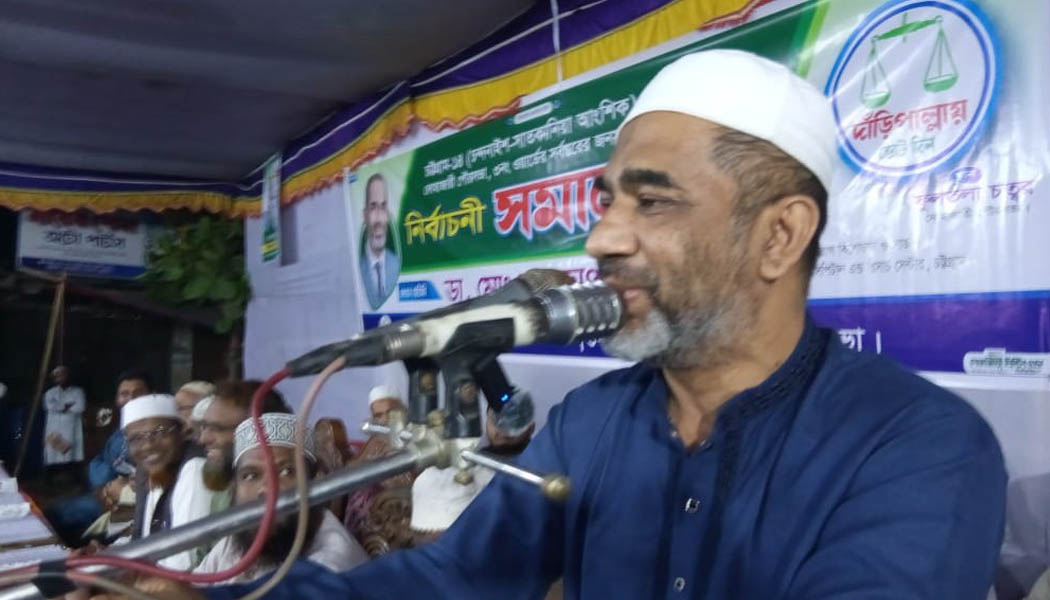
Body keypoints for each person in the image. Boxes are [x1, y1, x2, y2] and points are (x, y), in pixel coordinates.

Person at [125, 49, 1009, 600]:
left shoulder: (919, 444)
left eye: (652, 202)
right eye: (607, 200)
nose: (602, 238)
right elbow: (453, 580)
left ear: (779, 236)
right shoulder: (592, 421)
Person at [194, 414, 369, 584]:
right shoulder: (236, 541)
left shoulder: (332, 562)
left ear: (314, 481)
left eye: (286, 472)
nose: (266, 488)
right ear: (234, 488)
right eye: (250, 476)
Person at [45, 369, 151, 545]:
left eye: (138, 393)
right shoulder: (120, 430)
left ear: (151, 396)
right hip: (104, 495)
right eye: (124, 394)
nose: (131, 398)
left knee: (60, 518)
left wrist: (121, 490)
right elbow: (101, 460)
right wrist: (102, 488)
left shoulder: (155, 433)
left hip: (131, 505)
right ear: (117, 399)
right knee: (50, 515)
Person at [123, 393, 215, 570]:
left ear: (181, 433)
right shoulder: (152, 471)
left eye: (160, 432)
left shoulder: (194, 469)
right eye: (136, 438)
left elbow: (184, 562)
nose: (148, 445)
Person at [194, 380, 292, 515]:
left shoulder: (287, 496)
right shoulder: (225, 492)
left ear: (260, 433)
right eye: (204, 426)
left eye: (217, 429)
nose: (203, 439)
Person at [358, 173, 400, 309]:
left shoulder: (396, 264)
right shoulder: (357, 267)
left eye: (383, 207)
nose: (379, 219)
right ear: (365, 215)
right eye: (373, 207)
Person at [42, 365, 86, 467]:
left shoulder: (78, 391)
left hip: (71, 430)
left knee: (69, 458)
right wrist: (67, 406)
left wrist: (60, 407)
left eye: (63, 374)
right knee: (53, 457)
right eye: (57, 375)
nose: (60, 377)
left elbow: (80, 407)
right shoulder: (50, 393)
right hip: (53, 431)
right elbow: (49, 406)